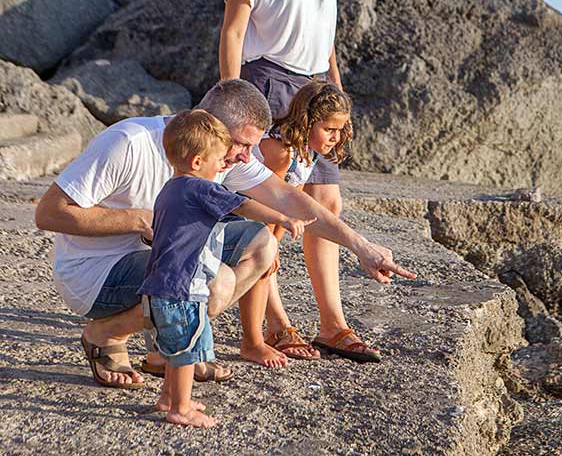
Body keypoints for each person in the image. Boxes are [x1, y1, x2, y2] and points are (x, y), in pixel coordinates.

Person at [35, 79, 415, 389]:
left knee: (261, 243)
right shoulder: (130, 143)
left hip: (154, 264)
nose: (248, 156)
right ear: (207, 124)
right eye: (244, 144)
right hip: (96, 273)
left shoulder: (223, 155)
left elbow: (286, 198)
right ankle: (106, 333)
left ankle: (165, 350)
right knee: (215, 283)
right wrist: (138, 220)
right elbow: (49, 213)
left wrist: (360, 246)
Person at [219, 0, 375, 362]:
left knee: (326, 201)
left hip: (314, 91)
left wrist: (338, 97)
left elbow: (326, 40)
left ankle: (332, 323)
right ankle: (275, 319)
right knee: (272, 207)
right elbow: (234, 31)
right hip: (268, 85)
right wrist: (233, 104)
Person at [140, 109, 313, 428]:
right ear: (196, 162)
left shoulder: (170, 188)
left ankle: (169, 396)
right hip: (180, 289)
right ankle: (179, 408)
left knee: (177, 346)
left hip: (157, 287)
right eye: (219, 159)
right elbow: (242, 204)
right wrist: (284, 218)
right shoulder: (199, 188)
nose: (224, 165)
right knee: (185, 351)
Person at [239, 80, 370, 363]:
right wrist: (270, 246)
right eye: (329, 129)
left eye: (340, 130)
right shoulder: (281, 150)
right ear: (308, 122)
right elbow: (270, 199)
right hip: (241, 212)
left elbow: (291, 204)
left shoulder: (305, 151)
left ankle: (272, 330)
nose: (335, 137)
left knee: (270, 260)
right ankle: (264, 334)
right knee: (264, 263)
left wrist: (276, 244)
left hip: (267, 214)